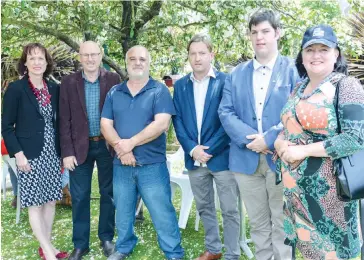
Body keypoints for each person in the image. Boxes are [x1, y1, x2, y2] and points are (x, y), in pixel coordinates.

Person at [274, 24, 363, 260]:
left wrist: (302, 151)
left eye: (324, 49)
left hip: (330, 198)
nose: (316, 55)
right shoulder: (299, 87)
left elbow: (355, 138)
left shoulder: (346, 86)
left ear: (336, 54)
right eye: (309, 49)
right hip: (297, 196)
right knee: (308, 254)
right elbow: (288, 126)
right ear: (301, 56)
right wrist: (280, 142)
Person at [218, 9, 298, 260]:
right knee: (259, 224)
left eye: (265, 31)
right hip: (245, 159)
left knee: (282, 223)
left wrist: (270, 139)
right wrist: (253, 140)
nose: (259, 37)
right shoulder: (236, 74)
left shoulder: (294, 70)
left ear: (277, 33)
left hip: (282, 159)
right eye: (254, 33)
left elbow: (297, 110)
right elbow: (225, 112)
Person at [101, 45, 184, 260]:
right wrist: (122, 148)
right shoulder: (114, 92)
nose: (137, 62)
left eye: (142, 59)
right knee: (123, 212)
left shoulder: (159, 91)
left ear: (148, 62)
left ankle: (173, 253)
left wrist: (130, 143)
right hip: (122, 165)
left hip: (152, 166)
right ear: (126, 62)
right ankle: (124, 247)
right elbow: (105, 125)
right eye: (133, 59)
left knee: (162, 213)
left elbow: (161, 124)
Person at [173, 34, 240, 260]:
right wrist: (193, 149)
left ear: (211, 54)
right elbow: (178, 121)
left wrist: (208, 150)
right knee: (204, 207)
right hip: (194, 159)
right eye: (193, 53)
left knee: (230, 209)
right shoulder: (181, 86)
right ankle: (213, 249)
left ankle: (232, 253)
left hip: (221, 158)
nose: (197, 58)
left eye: (202, 53)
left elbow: (229, 120)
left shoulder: (226, 82)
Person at [1, 43, 68, 260]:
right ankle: (49, 251)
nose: (37, 62)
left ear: (47, 62)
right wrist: (18, 154)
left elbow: (58, 122)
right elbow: (6, 126)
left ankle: (46, 246)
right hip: (28, 155)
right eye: (32, 58)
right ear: (25, 63)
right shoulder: (16, 89)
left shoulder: (54, 88)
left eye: (41, 58)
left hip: (52, 152)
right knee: (33, 202)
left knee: (49, 200)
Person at [59, 41, 121, 260]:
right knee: (80, 195)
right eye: (86, 55)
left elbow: (119, 114)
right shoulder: (68, 82)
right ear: (79, 57)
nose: (90, 59)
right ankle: (80, 244)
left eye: (94, 54)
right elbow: (64, 119)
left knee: (109, 194)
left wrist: (119, 145)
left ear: (101, 55)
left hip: (106, 145)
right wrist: (66, 152)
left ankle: (106, 238)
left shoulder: (113, 80)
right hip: (78, 149)